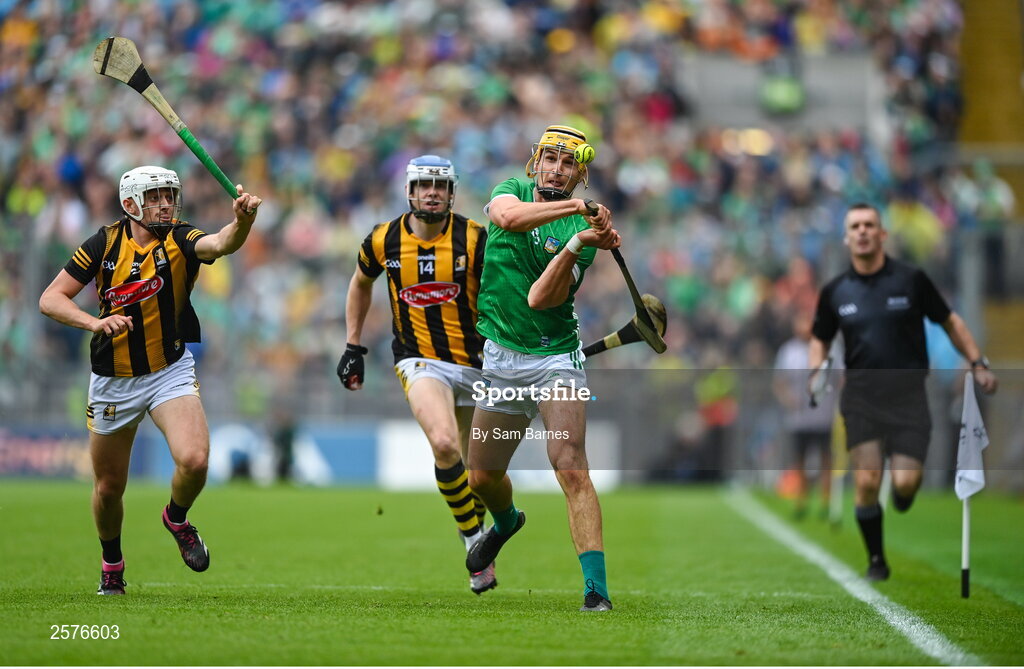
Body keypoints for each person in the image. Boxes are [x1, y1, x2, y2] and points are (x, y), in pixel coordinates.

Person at [39, 166, 262, 595]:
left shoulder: (180, 237)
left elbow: (220, 243)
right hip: (113, 380)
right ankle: (112, 566)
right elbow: (50, 298)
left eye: (169, 195)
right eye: (156, 197)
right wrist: (93, 323)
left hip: (168, 370)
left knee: (195, 461)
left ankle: (176, 518)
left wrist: (243, 221)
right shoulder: (103, 244)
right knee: (108, 487)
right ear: (130, 205)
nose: (166, 204)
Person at [463, 124, 621, 612]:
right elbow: (508, 220)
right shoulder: (510, 191)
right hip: (502, 359)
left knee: (570, 464)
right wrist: (576, 211)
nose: (557, 167)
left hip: (556, 358)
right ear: (535, 162)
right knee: (481, 478)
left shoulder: (584, 235)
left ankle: (596, 590)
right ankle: (508, 521)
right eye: (550, 158)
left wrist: (577, 242)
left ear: (581, 173)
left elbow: (540, 297)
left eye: (568, 162)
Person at [808, 202, 997, 581]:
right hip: (861, 397)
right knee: (865, 480)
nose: (862, 231)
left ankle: (901, 494)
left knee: (907, 484)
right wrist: (816, 370)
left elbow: (950, 322)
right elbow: (819, 339)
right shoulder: (835, 291)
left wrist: (977, 362)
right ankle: (876, 560)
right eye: (855, 226)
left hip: (909, 397)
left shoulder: (911, 281)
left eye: (869, 225)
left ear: (882, 234)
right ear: (847, 238)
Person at [336, 155, 495, 594]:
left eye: (440, 186)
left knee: (478, 472)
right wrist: (353, 345)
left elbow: (505, 295)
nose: (431, 192)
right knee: (444, 444)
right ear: (409, 191)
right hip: (419, 358)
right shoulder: (383, 239)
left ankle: (475, 530)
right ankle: (475, 543)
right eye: (424, 184)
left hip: (478, 363)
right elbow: (360, 283)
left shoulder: (475, 239)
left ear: (451, 193)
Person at [773, 310, 838, 520]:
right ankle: (801, 500)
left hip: (823, 415)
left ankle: (826, 502)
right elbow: (779, 381)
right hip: (799, 418)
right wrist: (787, 399)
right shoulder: (788, 351)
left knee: (825, 458)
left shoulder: (829, 347)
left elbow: (841, 377)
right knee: (800, 459)